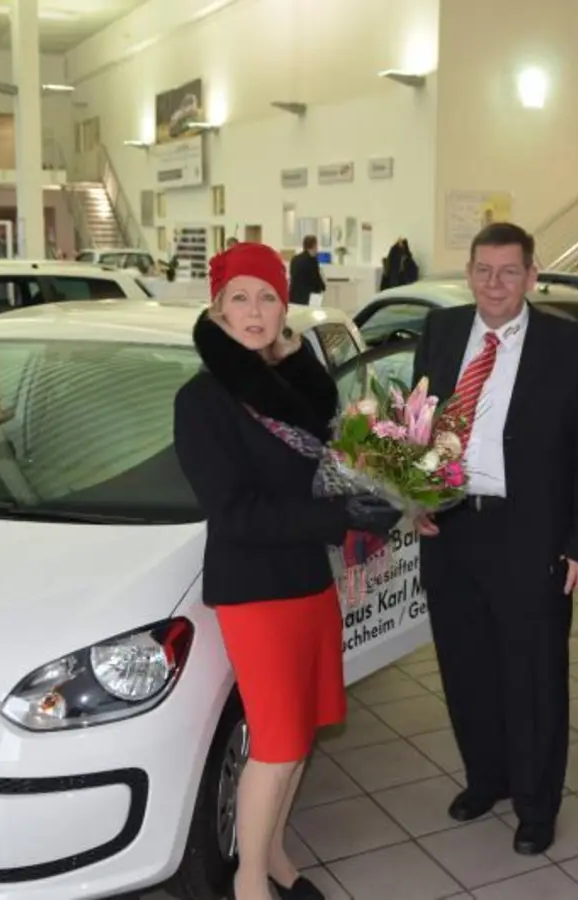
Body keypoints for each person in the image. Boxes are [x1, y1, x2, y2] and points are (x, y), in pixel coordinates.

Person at [173, 242, 401, 900]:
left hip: (309, 582)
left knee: (300, 737)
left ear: (284, 306)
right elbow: (235, 516)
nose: (255, 310)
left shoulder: (301, 391)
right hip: (255, 593)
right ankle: (248, 883)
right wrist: (337, 516)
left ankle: (273, 853)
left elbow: (329, 472)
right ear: (217, 310)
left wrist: (379, 493)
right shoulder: (203, 401)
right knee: (273, 743)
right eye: (239, 297)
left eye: (268, 296)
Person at [409, 222, 578, 855]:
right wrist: (413, 498)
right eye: (484, 271)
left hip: (532, 535)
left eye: (509, 272)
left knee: (534, 676)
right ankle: (486, 778)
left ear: (531, 274)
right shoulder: (441, 332)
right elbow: (417, 425)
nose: (495, 284)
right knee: (465, 667)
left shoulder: (570, 346)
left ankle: (536, 803)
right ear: (468, 273)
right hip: (451, 528)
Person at [288, 236, 326, 305]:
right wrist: (322, 287)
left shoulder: (295, 259)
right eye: (316, 245)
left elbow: (292, 275)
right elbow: (315, 278)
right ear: (314, 245)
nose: (317, 248)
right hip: (308, 298)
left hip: (294, 296)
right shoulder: (312, 261)